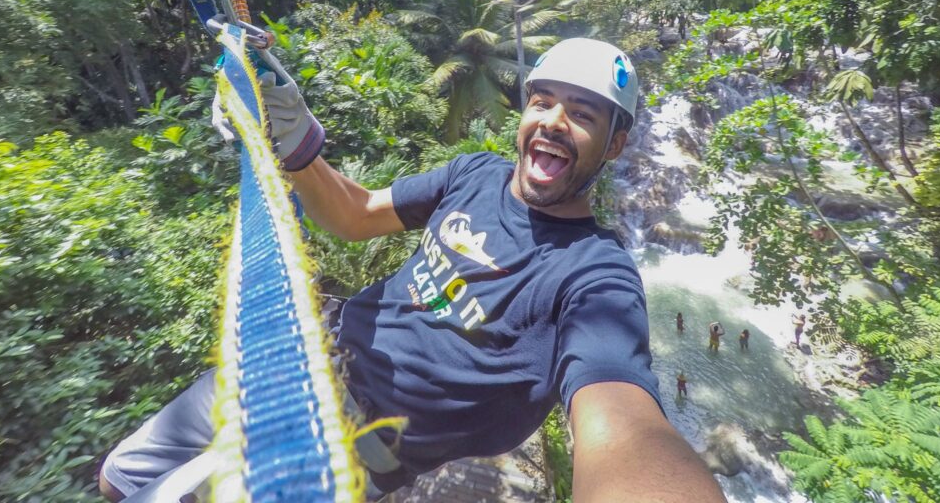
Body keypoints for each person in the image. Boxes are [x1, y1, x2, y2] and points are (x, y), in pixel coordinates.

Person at [99, 38, 726, 503]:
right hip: (299, 355)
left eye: (584, 114)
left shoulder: (595, 275)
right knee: (118, 476)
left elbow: (623, 424)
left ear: (615, 144)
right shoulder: (472, 174)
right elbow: (355, 213)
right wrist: (294, 144)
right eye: (544, 102)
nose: (554, 122)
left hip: (337, 440)